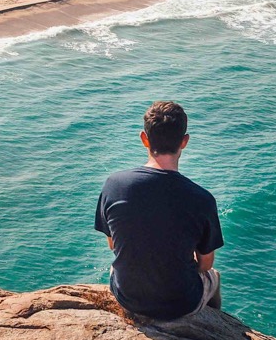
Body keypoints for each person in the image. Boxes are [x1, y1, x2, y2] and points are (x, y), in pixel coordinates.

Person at [94, 100, 223, 320]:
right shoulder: (202, 199)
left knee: (118, 266)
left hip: (128, 297)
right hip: (181, 304)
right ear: (184, 141)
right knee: (214, 276)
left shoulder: (114, 184)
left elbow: (113, 244)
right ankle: (215, 324)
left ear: (144, 139)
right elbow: (205, 264)